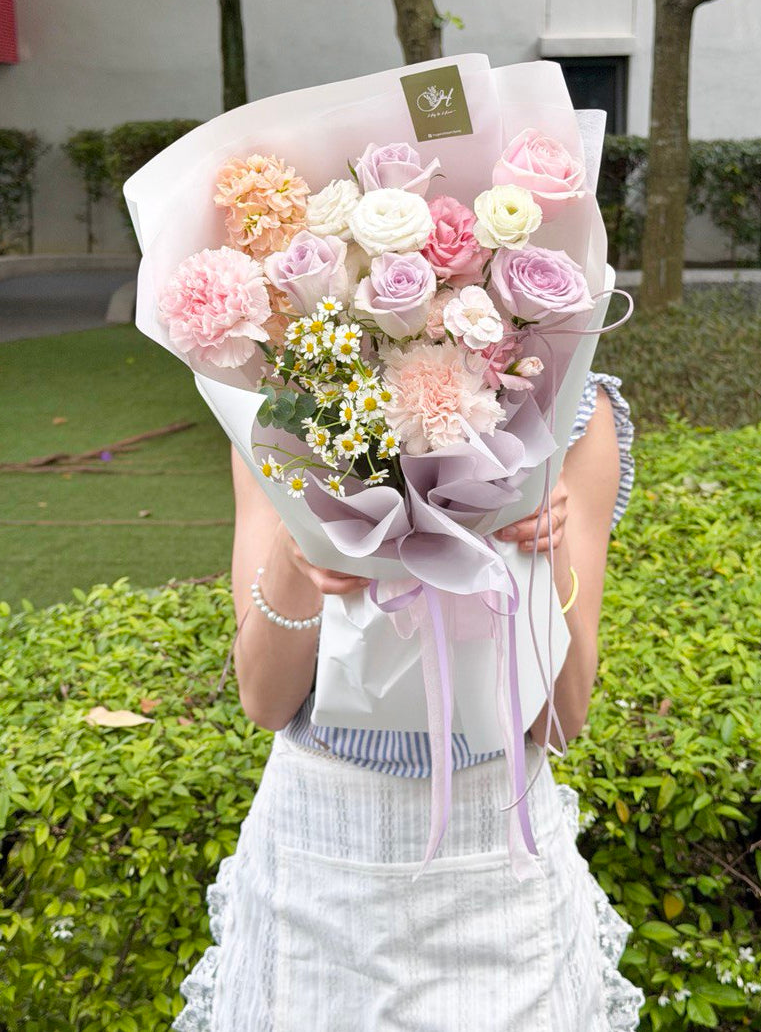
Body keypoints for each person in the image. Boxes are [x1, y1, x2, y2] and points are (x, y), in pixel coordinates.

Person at [172, 371, 645, 1032]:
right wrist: (298, 541)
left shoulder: (567, 412)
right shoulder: (279, 405)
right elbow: (265, 699)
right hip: (316, 861)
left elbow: (561, 719)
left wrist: (543, 537)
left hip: (497, 865)